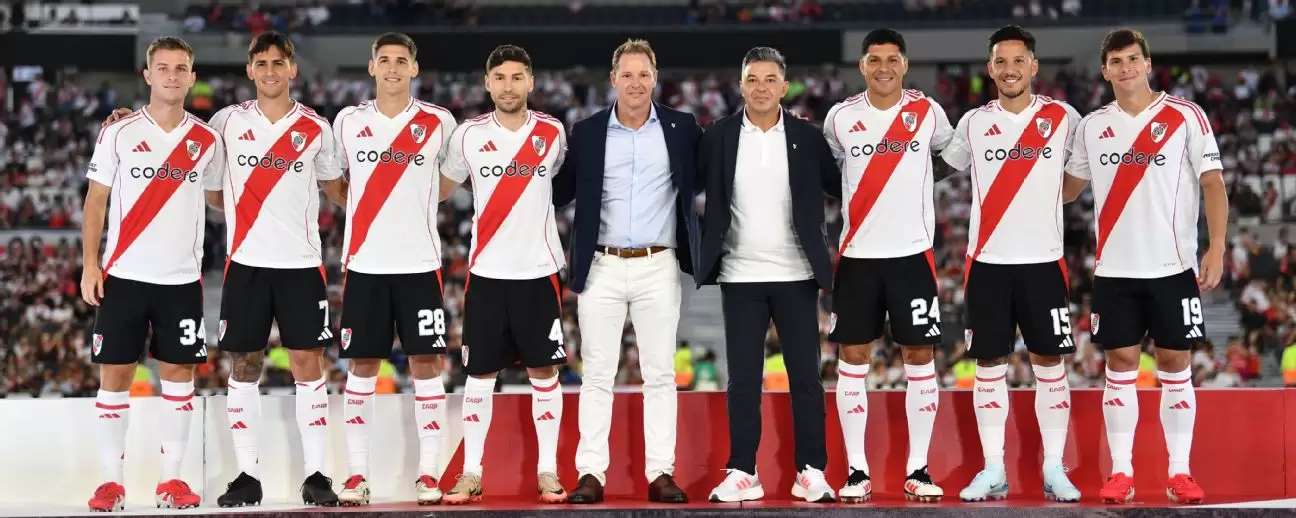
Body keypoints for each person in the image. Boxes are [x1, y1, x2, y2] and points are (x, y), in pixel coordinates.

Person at [104, 30, 347, 508]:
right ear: (250, 70)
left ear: (292, 69)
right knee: (244, 365)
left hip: (301, 264)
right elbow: (211, 189)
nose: (270, 71)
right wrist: (124, 119)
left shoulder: (317, 128)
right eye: (262, 63)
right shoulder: (225, 123)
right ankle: (246, 475)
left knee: (308, 364)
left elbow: (336, 188)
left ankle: (317, 475)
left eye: (278, 63)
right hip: (245, 263)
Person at [1061, 28, 1224, 505]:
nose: (1126, 67)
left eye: (1133, 58)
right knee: (1120, 366)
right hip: (1115, 270)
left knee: (1176, 364)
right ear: (1105, 71)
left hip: (1173, 266)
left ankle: (1180, 472)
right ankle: (1121, 472)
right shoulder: (1092, 126)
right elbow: (1068, 188)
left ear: (1147, 63)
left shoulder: (1185, 115)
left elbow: (1213, 183)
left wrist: (1216, 248)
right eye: (1116, 61)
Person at [936, 25, 1083, 503]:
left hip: (1044, 262)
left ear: (1033, 66)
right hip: (988, 264)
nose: (1010, 69)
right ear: (990, 68)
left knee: (1050, 364)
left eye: (1019, 60)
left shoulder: (1064, 117)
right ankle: (994, 468)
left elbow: (1083, 171)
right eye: (1001, 61)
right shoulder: (974, 122)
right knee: (988, 365)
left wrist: (1050, 201)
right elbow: (939, 167)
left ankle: (1054, 468)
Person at [552, 38, 699, 504]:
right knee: (597, 374)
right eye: (628, 74)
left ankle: (661, 473)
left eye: (644, 74)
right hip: (601, 265)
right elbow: (558, 192)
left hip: (659, 264)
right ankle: (590, 472)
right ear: (613, 79)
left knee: (660, 374)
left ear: (655, 79)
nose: (636, 83)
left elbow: (703, 180)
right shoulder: (587, 132)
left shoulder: (682, 128)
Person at [82, 35, 223, 512]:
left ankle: (172, 480)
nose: (172, 76)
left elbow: (221, 197)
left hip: (181, 280)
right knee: (115, 374)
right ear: (147, 75)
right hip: (123, 275)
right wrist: (90, 264)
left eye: (181, 68)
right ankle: (111, 483)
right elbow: (95, 200)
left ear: (192, 77)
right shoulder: (118, 132)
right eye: (163, 68)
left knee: (179, 377)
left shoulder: (207, 140)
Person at [696, 46, 841, 504]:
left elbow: (842, 186)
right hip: (739, 274)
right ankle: (743, 470)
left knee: (806, 378)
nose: (761, 88)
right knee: (742, 380)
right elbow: (689, 187)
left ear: (784, 86)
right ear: (741, 86)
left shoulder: (807, 137)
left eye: (770, 79)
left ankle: (811, 470)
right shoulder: (717, 136)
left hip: (796, 273)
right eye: (752, 79)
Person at [820, 28, 953, 503]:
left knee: (920, 358)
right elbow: (833, 174)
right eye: (874, 59)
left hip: (913, 256)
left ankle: (918, 468)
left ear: (904, 64)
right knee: (852, 360)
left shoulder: (928, 112)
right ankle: (857, 470)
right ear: (862, 66)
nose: (883, 67)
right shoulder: (840, 118)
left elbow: (949, 155)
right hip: (858, 258)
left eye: (892, 59)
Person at [331, 32, 459, 506]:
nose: (392, 68)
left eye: (401, 61)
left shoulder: (439, 121)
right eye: (383, 60)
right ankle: (356, 474)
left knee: (426, 363)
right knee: (362, 365)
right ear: (371, 67)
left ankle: (429, 473)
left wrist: (416, 201)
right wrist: (363, 209)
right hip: (365, 263)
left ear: (414, 68)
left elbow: (451, 179)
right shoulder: (348, 121)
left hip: (419, 264)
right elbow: (331, 178)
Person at [439, 44, 570, 505]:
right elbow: (440, 187)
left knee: (544, 372)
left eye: (517, 77)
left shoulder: (552, 132)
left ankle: (548, 471)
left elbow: (557, 183)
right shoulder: (468, 136)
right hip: (487, 274)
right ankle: (471, 472)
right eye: (500, 77)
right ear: (487, 83)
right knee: (479, 375)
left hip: (538, 272)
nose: (508, 86)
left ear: (530, 81)